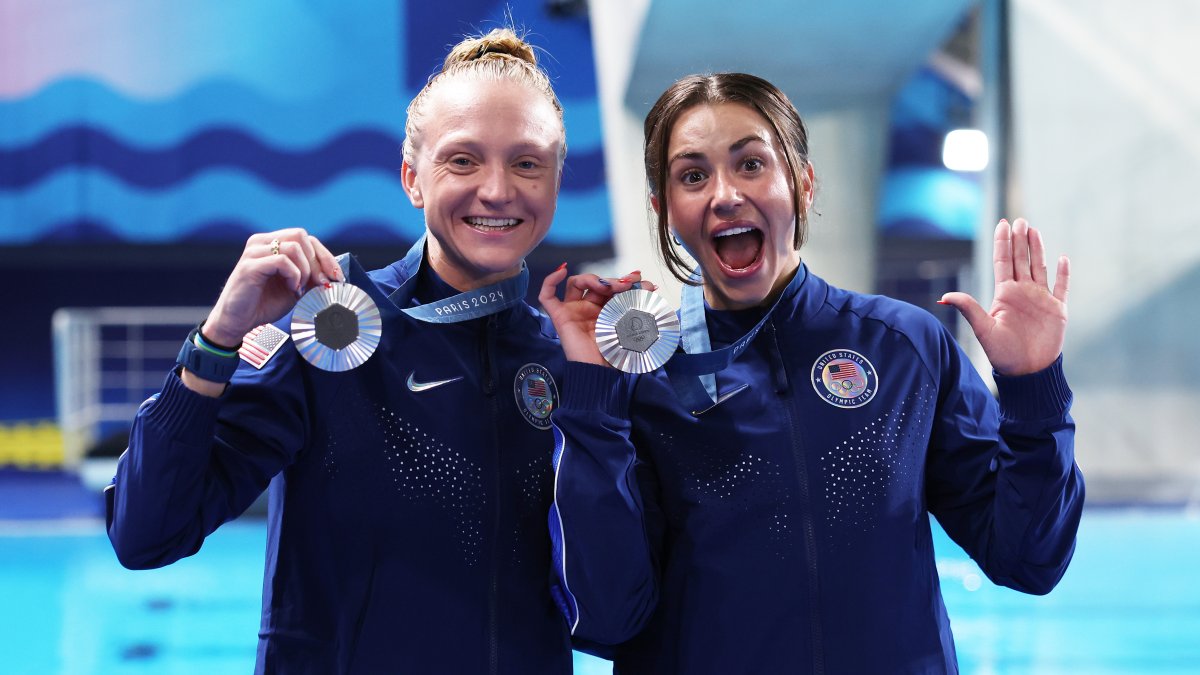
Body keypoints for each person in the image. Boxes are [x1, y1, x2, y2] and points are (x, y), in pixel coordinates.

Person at [106, 28, 641, 674]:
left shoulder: (567, 362)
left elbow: (612, 616)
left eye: (527, 162)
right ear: (413, 178)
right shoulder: (331, 325)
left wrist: (594, 397)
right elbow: (145, 533)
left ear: (556, 180)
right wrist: (216, 339)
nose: (497, 190)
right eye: (463, 160)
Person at [540, 72, 1084, 674]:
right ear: (664, 210)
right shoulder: (640, 380)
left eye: (751, 164)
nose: (724, 194)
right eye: (693, 176)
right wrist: (591, 398)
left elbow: (1030, 559)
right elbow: (606, 615)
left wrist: (1033, 387)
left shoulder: (903, 347)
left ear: (802, 183)